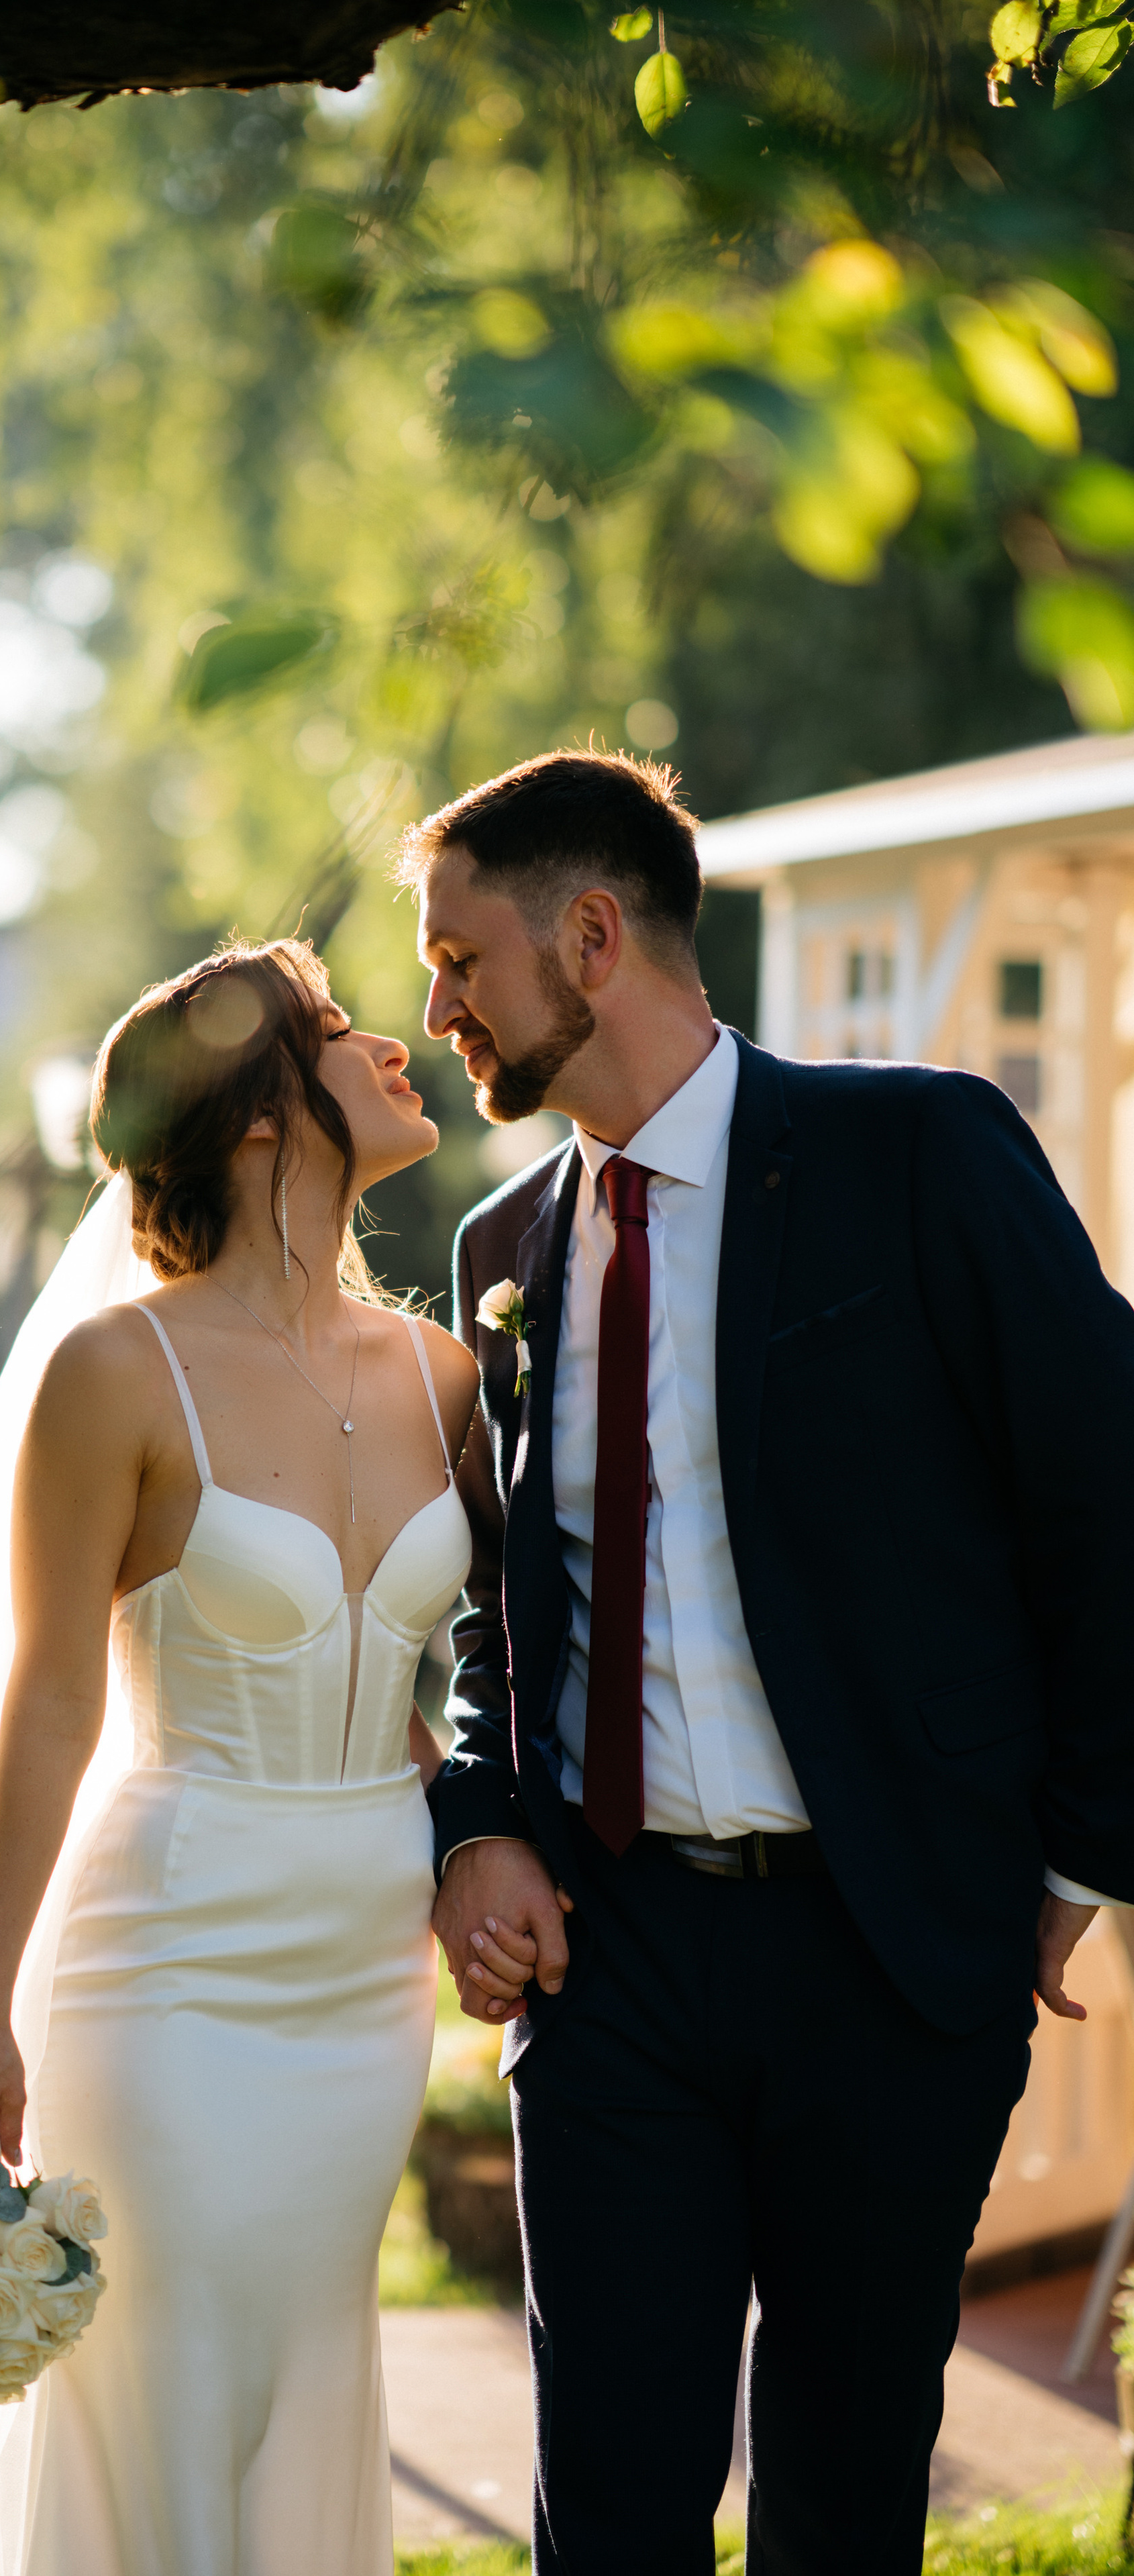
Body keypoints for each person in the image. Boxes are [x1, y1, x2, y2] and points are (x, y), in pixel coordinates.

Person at [401, 748, 1134, 2576]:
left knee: (842, 2494)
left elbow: (1109, 1497)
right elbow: (502, 1604)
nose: (442, 1011)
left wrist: (1068, 1857)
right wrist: (480, 1815)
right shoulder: (507, 1250)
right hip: (615, 1962)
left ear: (590, 935)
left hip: (888, 1953)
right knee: (616, 2507)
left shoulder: (919, 1152)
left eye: (461, 960)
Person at [0, 938, 480, 2576]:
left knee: (301, 2379)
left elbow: (478, 1681)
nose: (392, 1041)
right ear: (254, 1116)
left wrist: (463, 1827)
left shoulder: (443, 1370)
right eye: (333, 1030)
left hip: (362, 1983)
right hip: (169, 1964)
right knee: (158, 2400)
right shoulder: (115, 1371)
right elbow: (43, 1705)